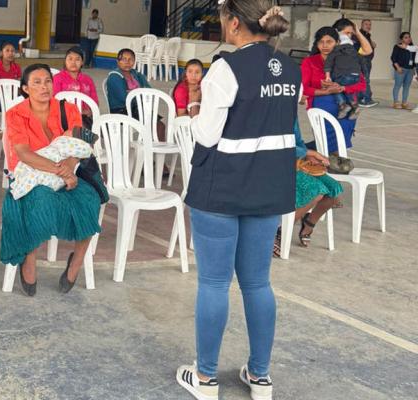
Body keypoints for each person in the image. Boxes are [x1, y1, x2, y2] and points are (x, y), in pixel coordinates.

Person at [174, 1, 297, 399]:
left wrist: (192, 110)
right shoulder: (290, 68)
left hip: (222, 187)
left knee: (213, 281)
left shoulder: (226, 69)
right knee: (258, 283)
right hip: (268, 188)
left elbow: (207, 135)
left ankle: (206, 378)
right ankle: (260, 376)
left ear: (232, 23)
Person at [0, 64, 102, 296]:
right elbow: (24, 153)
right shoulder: (16, 114)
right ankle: (30, 257)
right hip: (35, 172)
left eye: (47, 81)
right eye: (36, 82)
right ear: (25, 88)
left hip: (67, 169)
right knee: (40, 198)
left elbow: (79, 145)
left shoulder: (67, 109)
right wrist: (62, 172)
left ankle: (76, 262)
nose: (44, 86)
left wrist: (70, 167)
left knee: (89, 199)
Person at [273, 121, 342, 258]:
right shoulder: (271, 105)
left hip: (296, 160)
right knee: (316, 191)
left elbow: (297, 139)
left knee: (335, 190)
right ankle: (280, 232)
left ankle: (309, 222)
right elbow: (274, 143)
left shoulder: (290, 107)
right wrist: (308, 152)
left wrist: (306, 155)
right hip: (275, 162)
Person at [301, 26, 368, 154]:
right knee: (327, 141)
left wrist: (343, 87)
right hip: (321, 104)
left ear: (337, 43)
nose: (325, 45)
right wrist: (325, 90)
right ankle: (333, 157)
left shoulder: (348, 59)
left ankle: (335, 157)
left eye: (329, 42)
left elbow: (361, 84)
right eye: (321, 42)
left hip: (346, 105)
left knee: (346, 122)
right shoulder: (309, 62)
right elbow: (304, 88)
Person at [53, 46, 99, 127]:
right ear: (65, 61)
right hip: (64, 118)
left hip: (85, 117)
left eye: (77, 59)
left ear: (82, 62)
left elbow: (94, 101)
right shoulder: (57, 78)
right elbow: (55, 101)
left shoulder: (88, 80)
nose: (73, 62)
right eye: (70, 59)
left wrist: (89, 111)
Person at [324, 30, 364, 119]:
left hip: (343, 75)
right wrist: (363, 74)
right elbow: (362, 62)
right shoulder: (354, 51)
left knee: (335, 87)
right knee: (348, 90)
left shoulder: (336, 50)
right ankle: (355, 106)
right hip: (356, 76)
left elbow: (328, 62)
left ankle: (343, 105)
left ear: (338, 42)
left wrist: (327, 76)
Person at [105, 48, 151, 114]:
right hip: (121, 110)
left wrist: (133, 92)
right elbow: (126, 98)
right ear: (118, 61)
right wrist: (140, 92)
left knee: (157, 123)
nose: (127, 62)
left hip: (136, 107)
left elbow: (149, 90)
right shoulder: (114, 77)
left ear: (134, 61)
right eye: (124, 59)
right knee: (152, 123)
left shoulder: (136, 74)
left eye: (131, 59)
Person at [390, 32, 416, 110]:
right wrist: (397, 67)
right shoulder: (397, 46)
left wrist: (413, 69)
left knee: (407, 87)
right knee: (397, 85)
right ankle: (396, 102)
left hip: (410, 70)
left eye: (409, 37)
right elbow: (393, 58)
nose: (408, 39)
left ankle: (404, 102)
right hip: (401, 68)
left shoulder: (413, 47)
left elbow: (415, 59)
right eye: (406, 37)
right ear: (401, 39)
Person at [356, 19, 378, 107]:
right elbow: (358, 48)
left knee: (363, 80)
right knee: (365, 80)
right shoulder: (359, 35)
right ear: (361, 25)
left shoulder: (367, 35)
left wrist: (372, 46)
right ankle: (367, 99)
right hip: (362, 60)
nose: (368, 26)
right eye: (366, 24)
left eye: (369, 24)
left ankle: (360, 98)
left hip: (367, 61)